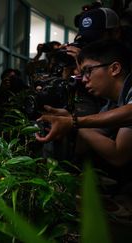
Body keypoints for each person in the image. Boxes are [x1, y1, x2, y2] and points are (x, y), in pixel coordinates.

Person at [36, 39, 132, 189]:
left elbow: (119, 155)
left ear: (114, 68)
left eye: (88, 71)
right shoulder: (114, 102)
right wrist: (70, 120)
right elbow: (90, 137)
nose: (83, 79)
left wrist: (74, 122)